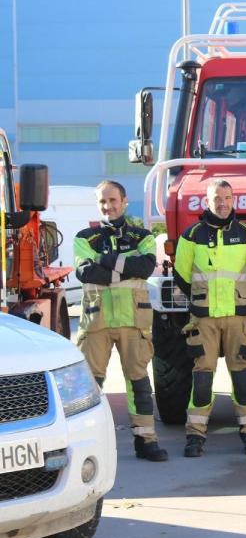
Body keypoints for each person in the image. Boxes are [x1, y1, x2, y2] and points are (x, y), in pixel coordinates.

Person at [74, 180, 168, 462]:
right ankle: (85, 444)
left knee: (138, 382)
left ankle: (146, 441)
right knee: (89, 386)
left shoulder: (143, 236)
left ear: (124, 201)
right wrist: (125, 268)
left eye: (113, 200)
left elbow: (145, 267)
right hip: (97, 323)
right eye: (103, 201)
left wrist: (106, 260)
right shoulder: (84, 237)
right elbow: (86, 272)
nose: (108, 206)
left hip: (133, 321)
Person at [173, 179, 246, 457]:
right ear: (207, 201)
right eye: (217, 198)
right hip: (204, 319)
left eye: (227, 197)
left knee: (243, 377)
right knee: (202, 379)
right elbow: (182, 275)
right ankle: (195, 436)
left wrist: (237, 299)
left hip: (238, 317)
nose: (222, 203)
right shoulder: (192, 235)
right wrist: (204, 299)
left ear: (233, 200)